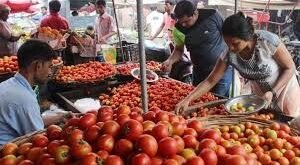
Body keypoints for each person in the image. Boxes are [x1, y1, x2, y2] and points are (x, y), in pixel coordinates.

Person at [175, 12, 300, 117]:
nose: (231, 47)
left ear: (247, 37)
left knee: (287, 123)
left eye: (235, 43)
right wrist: (187, 100)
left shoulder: (268, 42)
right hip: (260, 93)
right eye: (227, 43)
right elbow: (210, 81)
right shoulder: (229, 53)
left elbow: (290, 68)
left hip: (284, 89)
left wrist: (273, 92)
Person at [0, 40, 71, 145]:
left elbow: (31, 119)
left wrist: (61, 117)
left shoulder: (9, 85)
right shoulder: (24, 98)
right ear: (38, 66)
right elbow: (39, 138)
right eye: (49, 67)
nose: (50, 72)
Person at [162, 0, 233, 97]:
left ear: (195, 13)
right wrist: (170, 61)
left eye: (186, 21)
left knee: (217, 101)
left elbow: (228, 36)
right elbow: (179, 50)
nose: (184, 25)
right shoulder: (178, 29)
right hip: (199, 72)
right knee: (197, 101)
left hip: (221, 72)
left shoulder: (213, 16)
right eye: (181, 22)